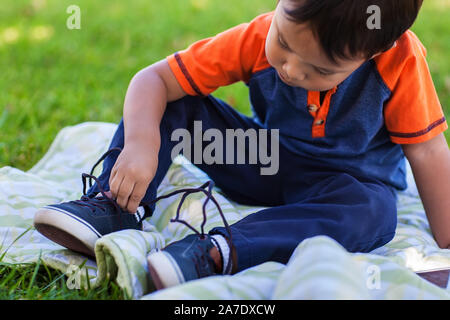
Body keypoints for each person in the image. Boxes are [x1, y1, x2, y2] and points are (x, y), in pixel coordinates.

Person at [34, 0, 450, 291]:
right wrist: (141, 143)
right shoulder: (257, 36)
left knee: (375, 212)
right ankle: (115, 204)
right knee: (180, 105)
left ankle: (215, 252)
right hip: (262, 160)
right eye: (284, 43)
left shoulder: (400, 63)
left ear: (374, 49)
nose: (288, 67)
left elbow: (428, 151)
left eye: (319, 69)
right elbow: (155, 79)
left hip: (344, 187)